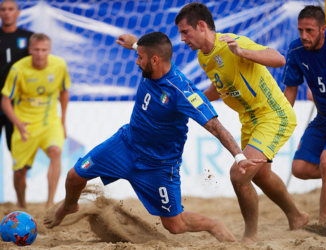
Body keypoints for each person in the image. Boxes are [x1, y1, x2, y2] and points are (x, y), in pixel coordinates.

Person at [43, 32, 265, 242]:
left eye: (140, 57)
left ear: (155, 60)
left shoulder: (182, 92)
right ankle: (69, 207)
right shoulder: (152, 65)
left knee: (174, 226)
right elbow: (149, 48)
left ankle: (214, 225)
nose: (137, 61)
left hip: (159, 165)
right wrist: (133, 44)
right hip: (125, 144)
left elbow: (217, 127)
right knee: (74, 176)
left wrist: (239, 156)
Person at [173, 2, 309, 244]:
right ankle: (297, 217)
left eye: (185, 32)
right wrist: (199, 100)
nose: (182, 39)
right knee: (261, 176)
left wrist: (243, 53)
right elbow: (221, 86)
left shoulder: (233, 43)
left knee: (240, 173)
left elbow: (278, 59)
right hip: (250, 120)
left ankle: (250, 237)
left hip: (273, 115)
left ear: (201, 26)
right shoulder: (203, 57)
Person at [283, 5, 326, 224]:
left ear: (323, 29)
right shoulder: (295, 51)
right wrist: (282, 120)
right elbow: (291, 88)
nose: (304, 36)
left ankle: (323, 224)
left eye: (309, 30)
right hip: (324, 116)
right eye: (300, 30)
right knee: (299, 169)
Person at [1, 33, 71, 209]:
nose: (40, 53)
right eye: (37, 49)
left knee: (56, 152)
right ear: (30, 50)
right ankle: (22, 204)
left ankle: (50, 204)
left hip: (50, 122)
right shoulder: (18, 69)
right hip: (25, 125)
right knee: (19, 172)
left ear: (49, 50)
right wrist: (18, 124)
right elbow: (5, 100)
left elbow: (64, 92)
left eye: (44, 50)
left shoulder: (59, 65)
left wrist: (63, 122)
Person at [0, 0, 33, 151]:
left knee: (17, 151)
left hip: (18, 103)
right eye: (3, 9)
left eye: (10, 9)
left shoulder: (29, 38)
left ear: (18, 13)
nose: (6, 12)